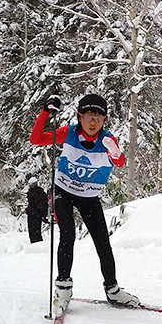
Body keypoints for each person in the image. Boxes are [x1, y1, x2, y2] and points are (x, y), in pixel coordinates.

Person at [30, 93, 140, 310]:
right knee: (68, 234)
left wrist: (113, 149)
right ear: (80, 116)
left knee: (102, 241)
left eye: (98, 118)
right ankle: (63, 289)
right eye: (89, 116)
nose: (93, 122)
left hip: (89, 196)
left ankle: (113, 290)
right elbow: (37, 139)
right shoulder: (68, 133)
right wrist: (44, 113)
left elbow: (119, 162)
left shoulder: (107, 139)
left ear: (104, 120)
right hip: (63, 191)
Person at [25, 177, 48, 243]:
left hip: (34, 215)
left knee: (34, 233)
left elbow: (36, 205)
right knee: (36, 233)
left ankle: (36, 247)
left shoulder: (34, 193)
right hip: (37, 215)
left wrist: (29, 210)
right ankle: (37, 246)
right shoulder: (41, 193)